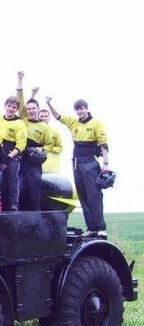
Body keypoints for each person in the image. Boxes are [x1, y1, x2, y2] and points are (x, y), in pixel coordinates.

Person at [46, 97, 110, 237]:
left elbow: (103, 144)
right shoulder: (74, 122)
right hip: (76, 163)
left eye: (82, 108)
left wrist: (105, 165)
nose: (80, 111)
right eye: (78, 109)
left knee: (94, 196)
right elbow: (58, 117)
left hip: (90, 163)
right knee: (83, 196)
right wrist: (49, 103)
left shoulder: (96, 124)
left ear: (86, 108)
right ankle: (92, 227)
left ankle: (101, 227)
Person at [16, 71, 53, 210]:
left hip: (34, 161)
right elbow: (19, 97)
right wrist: (19, 79)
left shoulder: (44, 127)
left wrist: (42, 149)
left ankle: (35, 213)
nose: (31, 111)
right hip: (20, 156)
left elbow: (49, 145)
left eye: (34, 108)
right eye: (29, 108)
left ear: (38, 109)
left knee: (35, 184)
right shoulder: (24, 118)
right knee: (18, 185)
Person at [0, 96, 28, 211]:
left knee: (12, 174)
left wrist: (9, 157)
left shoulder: (20, 123)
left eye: (14, 107)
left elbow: (21, 144)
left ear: (17, 109)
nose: (11, 109)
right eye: (9, 106)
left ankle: (14, 203)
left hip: (12, 154)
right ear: (5, 106)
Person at [37, 106, 64, 174]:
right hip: (37, 168)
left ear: (49, 117)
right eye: (41, 116)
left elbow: (60, 148)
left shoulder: (55, 131)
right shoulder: (34, 130)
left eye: (46, 116)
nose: (44, 118)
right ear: (38, 117)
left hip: (52, 169)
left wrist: (47, 148)